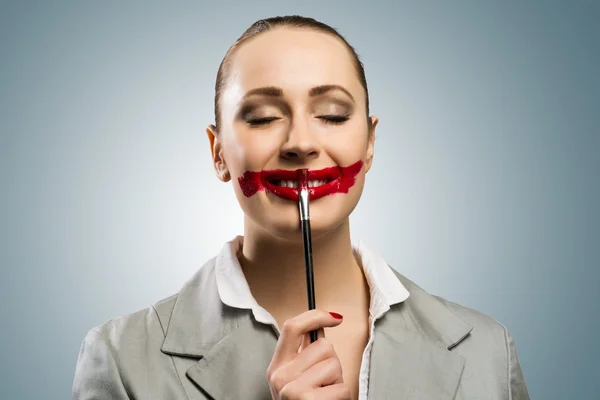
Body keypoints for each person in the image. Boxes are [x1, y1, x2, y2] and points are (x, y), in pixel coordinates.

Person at [72, 15, 530, 400]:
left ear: (370, 142)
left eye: (332, 114)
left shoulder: (488, 353)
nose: (301, 144)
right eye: (264, 117)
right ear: (218, 153)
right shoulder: (121, 360)